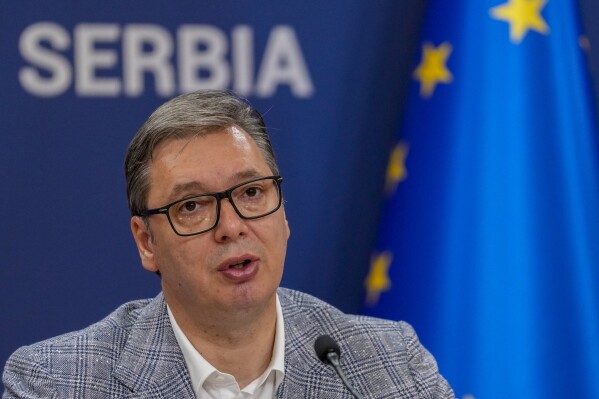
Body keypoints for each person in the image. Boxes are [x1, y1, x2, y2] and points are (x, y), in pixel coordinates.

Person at [2, 90, 455, 398]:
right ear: (146, 242)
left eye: (252, 192)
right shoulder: (59, 383)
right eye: (194, 206)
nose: (232, 226)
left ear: (283, 210)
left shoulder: (390, 366)